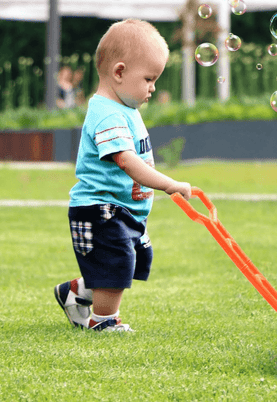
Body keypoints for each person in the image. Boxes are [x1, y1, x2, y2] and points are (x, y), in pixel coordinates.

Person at [54, 19, 192, 332]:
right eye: (148, 78)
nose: (153, 88)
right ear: (119, 73)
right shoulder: (107, 114)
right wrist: (168, 184)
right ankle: (103, 321)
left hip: (122, 209)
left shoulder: (125, 110)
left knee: (133, 260)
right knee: (116, 263)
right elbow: (128, 162)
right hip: (100, 209)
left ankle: (75, 291)